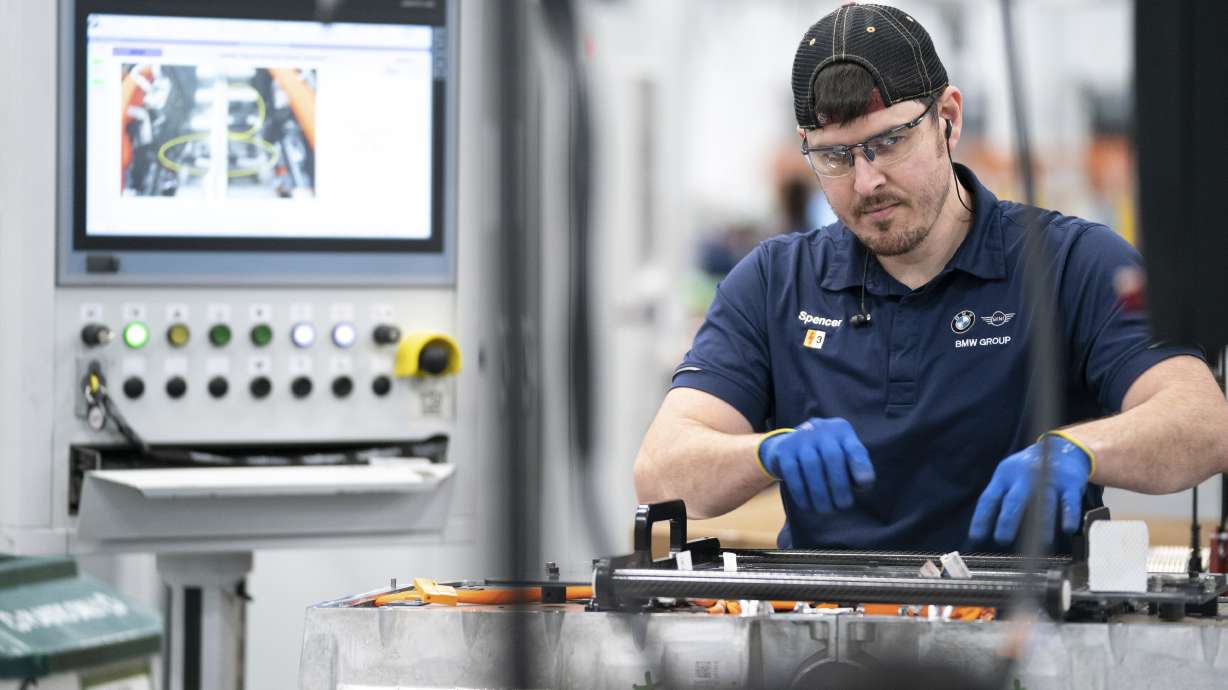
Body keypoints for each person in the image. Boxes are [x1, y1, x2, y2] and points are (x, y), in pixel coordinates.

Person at [633, 2, 1228, 552]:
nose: (866, 182)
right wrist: (763, 451)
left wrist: (1080, 449)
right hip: (826, 640)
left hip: (1024, 639)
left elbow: (1203, 422)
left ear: (948, 117)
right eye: (836, 157)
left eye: (889, 142)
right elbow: (661, 468)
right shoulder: (774, 283)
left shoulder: (1072, 263)